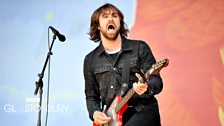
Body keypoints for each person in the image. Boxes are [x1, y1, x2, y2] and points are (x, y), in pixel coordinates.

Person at [83, 3, 163, 126]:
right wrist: (95, 113)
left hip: (142, 110)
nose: (110, 18)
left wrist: (146, 87)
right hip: (113, 118)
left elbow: (156, 81)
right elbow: (91, 96)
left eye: (114, 16)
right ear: (98, 26)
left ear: (119, 23)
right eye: (105, 16)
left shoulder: (139, 48)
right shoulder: (90, 60)